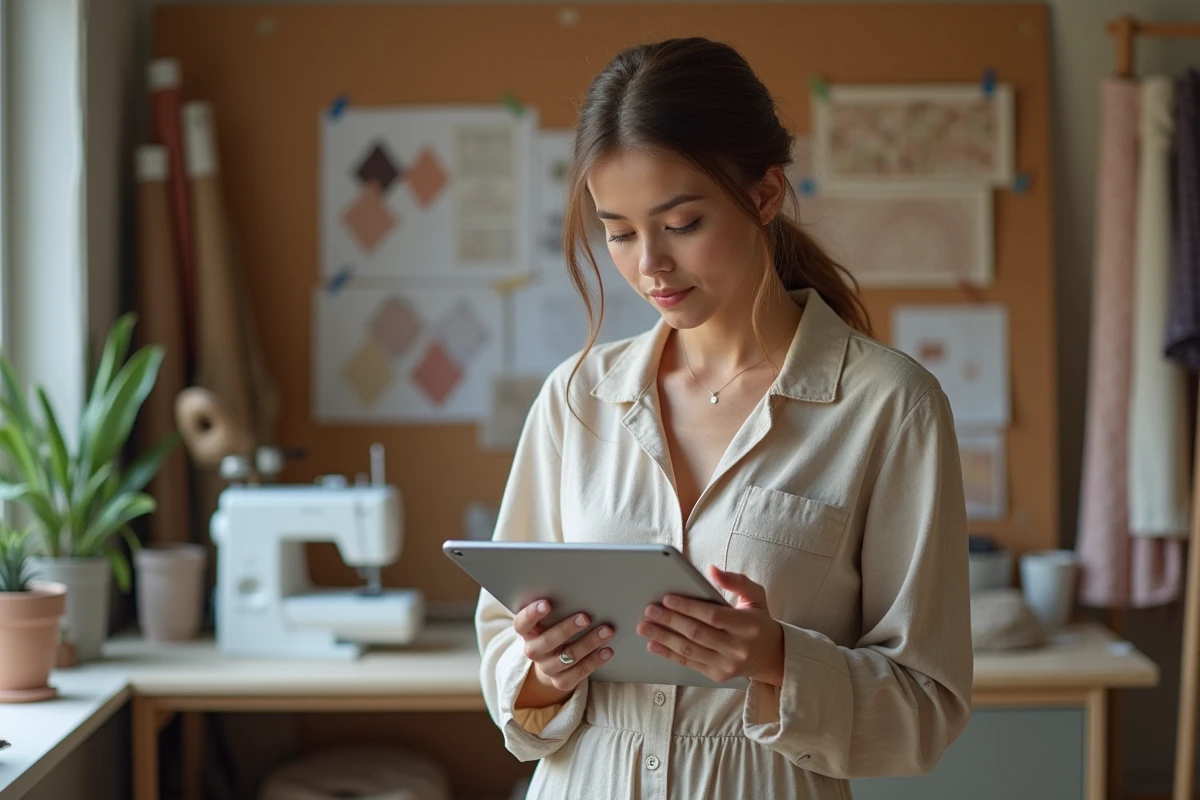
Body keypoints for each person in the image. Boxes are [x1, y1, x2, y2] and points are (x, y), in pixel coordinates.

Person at [475, 36, 972, 799]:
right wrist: (542, 671)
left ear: (765, 195)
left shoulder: (889, 406)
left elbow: (925, 710)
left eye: (681, 225)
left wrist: (777, 658)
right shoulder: (576, 398)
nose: (650, 267)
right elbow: (501, 648)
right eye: (618, 232)